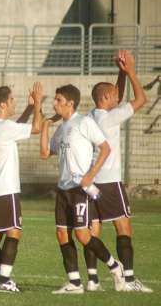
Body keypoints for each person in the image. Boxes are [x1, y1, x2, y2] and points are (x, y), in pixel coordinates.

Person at [40, 84, 124, 294]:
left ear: (70, 103)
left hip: (79, 189)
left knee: (82, 235)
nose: (54, 103)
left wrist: (90, 175)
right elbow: (44, 153)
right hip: (63, 189)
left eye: (58, 100)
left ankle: (114, 266)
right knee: (62, 234)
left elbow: (105, 148)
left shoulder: (84, 122)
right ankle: (74, 283)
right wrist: (45, 126)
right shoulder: (61, 128)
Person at [84, 50, 152, 292]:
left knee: (93, 229)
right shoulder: (110, 118)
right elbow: (141, 99)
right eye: (113, 94)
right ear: (106, 97)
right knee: (123, 227)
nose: (118, 96)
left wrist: (120, 74)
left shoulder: (92, 115)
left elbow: (116, 94)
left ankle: (92, 281)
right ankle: (130, 281)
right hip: (110, 181)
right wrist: (131, 71)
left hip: (90, 182)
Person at [0, 83, 43, 293]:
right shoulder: (5, 128)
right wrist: (38, 105)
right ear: (2, 104)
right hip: (6, 190)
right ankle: (4, 280)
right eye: (11, 100)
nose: (14, 102)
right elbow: (35, 128)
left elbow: (15, 129)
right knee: (14, 232)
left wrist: (28, 108)